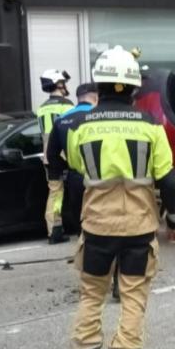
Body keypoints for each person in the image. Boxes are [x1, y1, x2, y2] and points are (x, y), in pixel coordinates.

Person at [57, 46, 175, 349]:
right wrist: (174, 220)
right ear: (133, 88)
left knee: (91, 296)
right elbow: (169, 180)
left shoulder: (80, 126)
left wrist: (72, 221)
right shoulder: (151, 126)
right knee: (133, 297)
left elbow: (75, 173)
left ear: (99, 85)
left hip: (97, 226)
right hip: (138, 230)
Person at [49, 83, 98, 236]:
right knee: (100, 224)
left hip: (75, 178)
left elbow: (51, 154)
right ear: (96, 97)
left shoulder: (61, 119)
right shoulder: (100, 116)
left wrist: (65, 167)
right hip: (99, 178)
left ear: (78, 98)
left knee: (81, 225)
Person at [36, 69, 75, 244]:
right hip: (68, 156)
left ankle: (54, 230)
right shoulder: (67, 106)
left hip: (49, 158)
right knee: (80, 189)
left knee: (55, 193)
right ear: (58, 84)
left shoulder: (41, 109)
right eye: (63, 83)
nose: (65, 86)